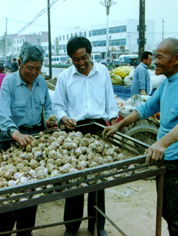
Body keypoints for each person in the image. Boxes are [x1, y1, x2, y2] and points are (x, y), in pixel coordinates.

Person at [103, 38, 178, 236]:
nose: (155, 61)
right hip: (167, 157)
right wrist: (119, 125)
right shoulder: (166, 83)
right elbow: (146, 108)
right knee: (168, 210)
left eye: (159, 57)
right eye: (154, 57)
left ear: (176, 59)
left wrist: (161, 143)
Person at [52, 37, 118, 236]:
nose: (81, 63)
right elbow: (57, 105)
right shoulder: (65, 76)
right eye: (75, 59)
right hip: (75, 129)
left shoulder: (103, 71)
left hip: (98, 127)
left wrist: (113, 125)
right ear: (70, 58)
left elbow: (110, 101)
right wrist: (64, 117)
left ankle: (98, 225)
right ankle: (71, 227)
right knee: (75, 178)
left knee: (99, 179)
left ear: (91, 54)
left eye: (84, 58)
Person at [0, 42, 57, 236]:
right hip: (11, 141)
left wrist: (50, 120)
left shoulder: (40, 82)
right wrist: (16, 134)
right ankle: (3, 232)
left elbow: (48, 107)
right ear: (20, 63)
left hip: (35, 139)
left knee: (32, 193)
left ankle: (25, 233)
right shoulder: (8, 82)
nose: (34, 73)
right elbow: (3, 115)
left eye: (38, 68)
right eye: (30, 68)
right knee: (9, 195)